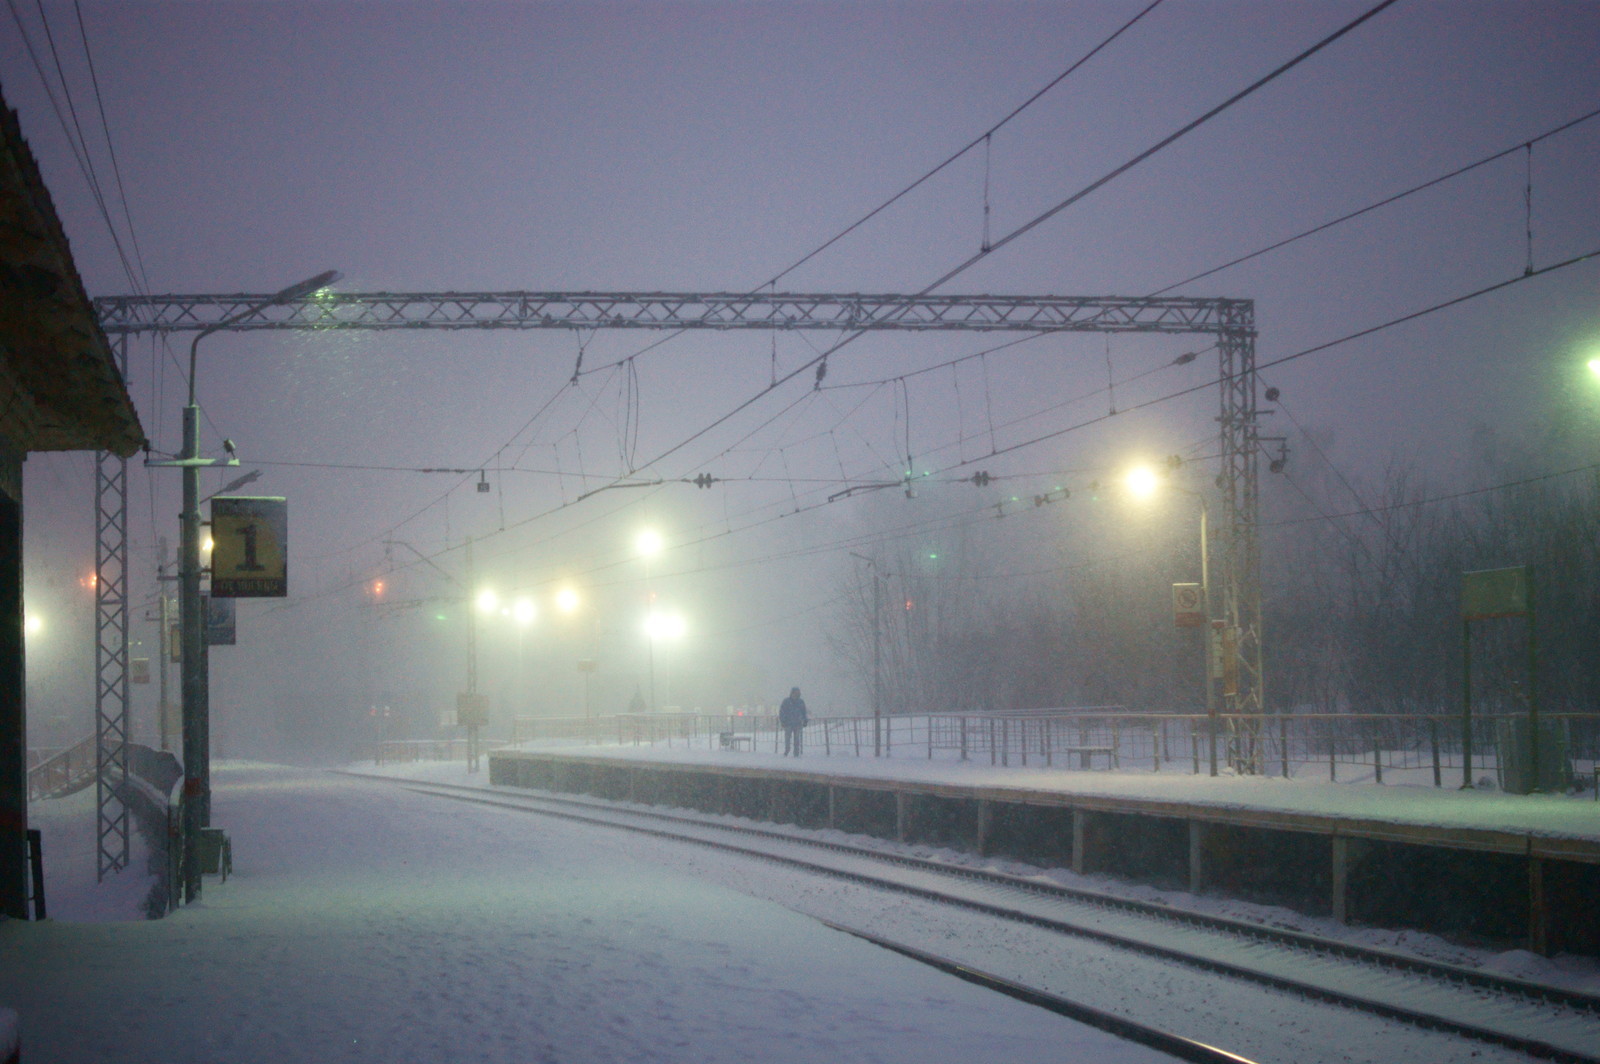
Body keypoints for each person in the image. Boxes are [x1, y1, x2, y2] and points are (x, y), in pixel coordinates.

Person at [778, 687, 808, 756]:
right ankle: (787, 750)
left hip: (797, 723)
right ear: (792, 693)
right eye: (795, 693)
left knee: (796, 739)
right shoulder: (786, 701)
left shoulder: (800, 702)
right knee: (788, 739)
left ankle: (796, 752)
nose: (796, 695)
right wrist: (783, 721)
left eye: (798, 693)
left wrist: (805, 720)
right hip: (788, 723)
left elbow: (803, 712)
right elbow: (782, 712)